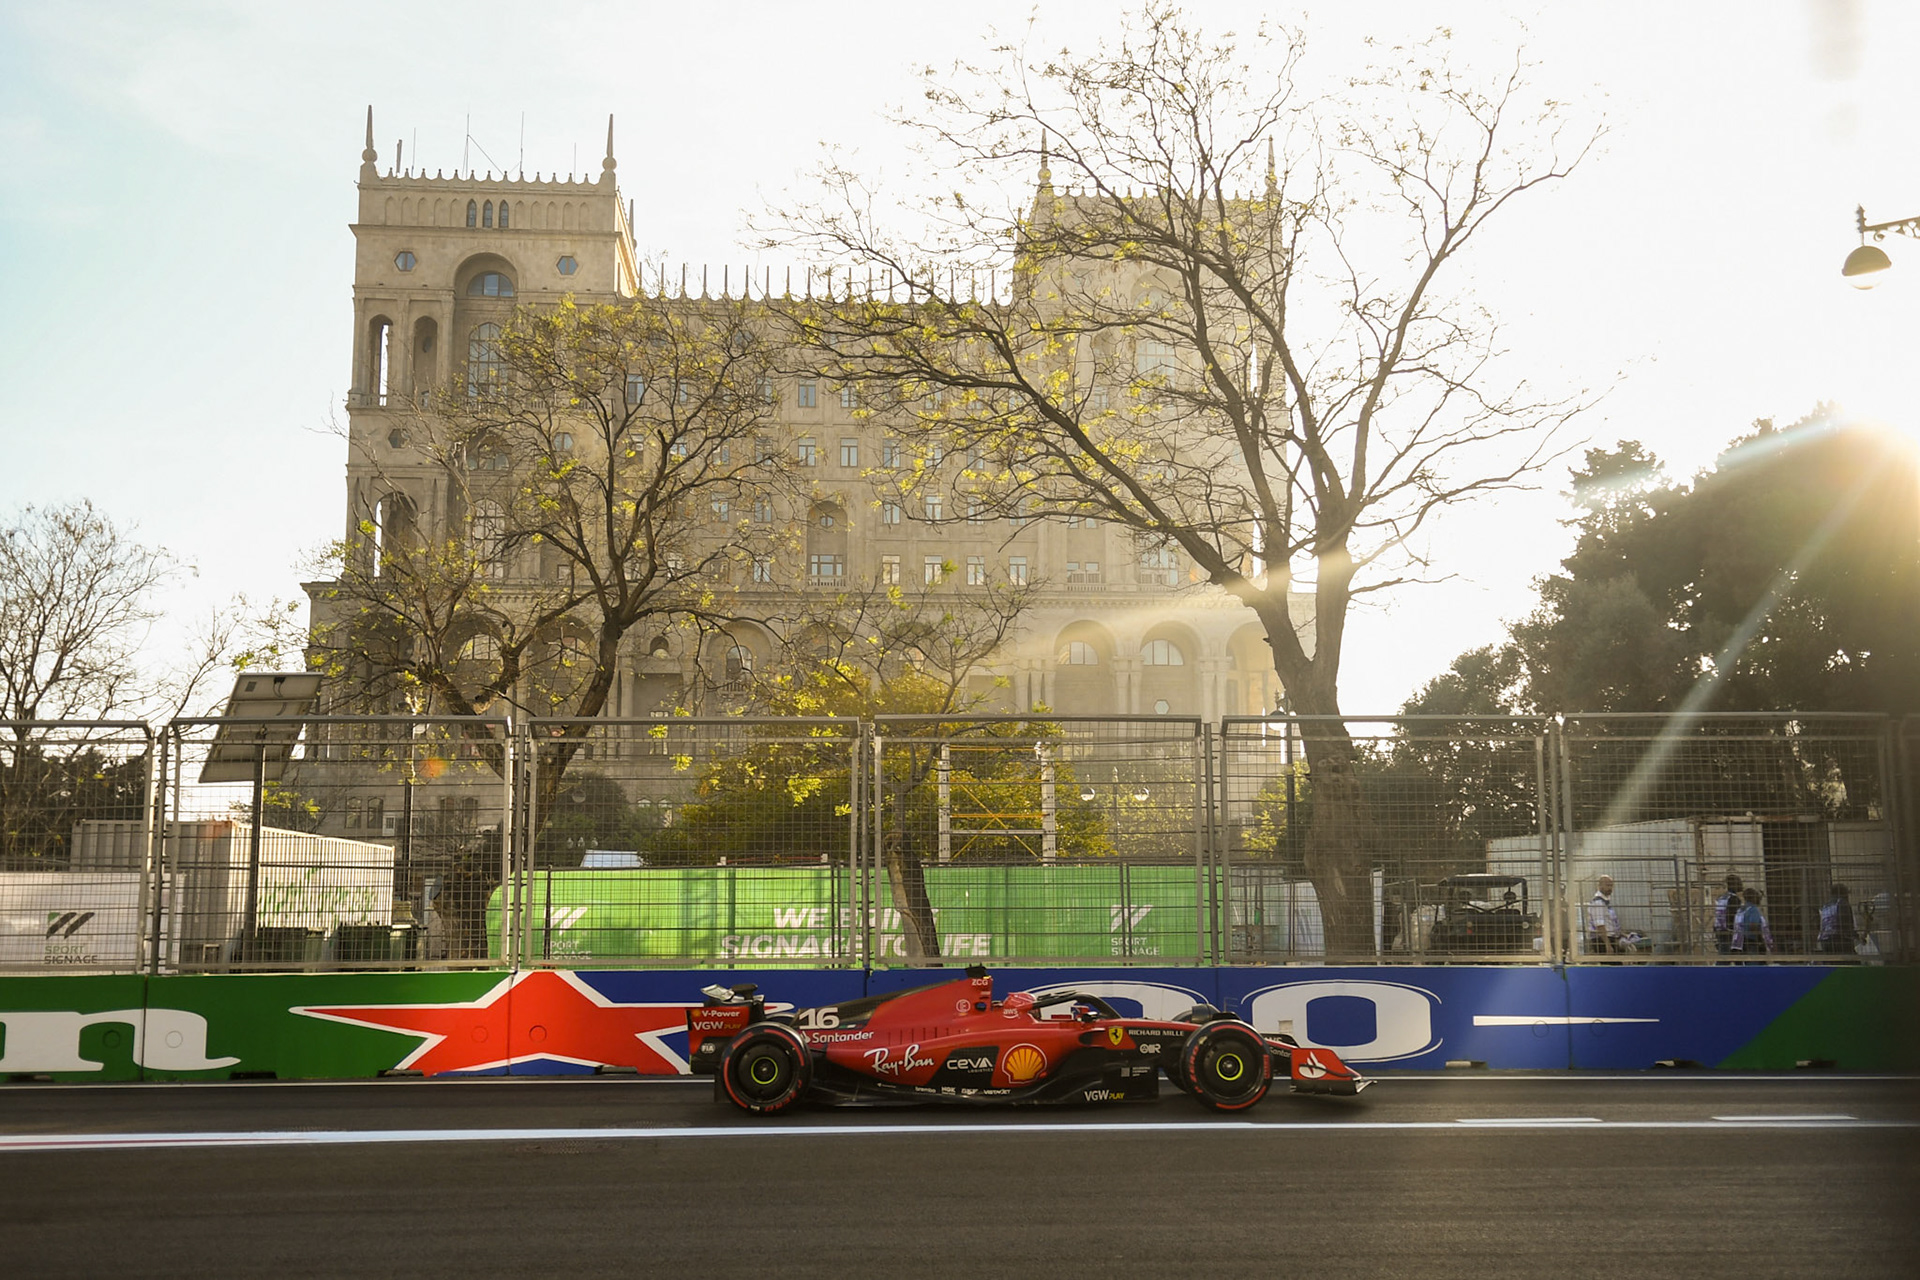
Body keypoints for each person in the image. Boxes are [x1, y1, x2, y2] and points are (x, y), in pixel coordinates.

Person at [1729, 887, 1775, 960]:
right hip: (1751, 941)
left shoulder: (1741, 909)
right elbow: (1753, 925)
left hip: (1739, 942)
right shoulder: (1753, 909)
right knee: (1753, 963)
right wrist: (1761, 939)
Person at [1817, 883, 1858, 957]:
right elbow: (1847, 924)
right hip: (1839, 940)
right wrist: (1856, 936)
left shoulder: (1825, 906)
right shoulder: (1842, 903)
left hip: (1824, 941)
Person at [1587, 875, 1621, 955]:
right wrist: (1607, 945)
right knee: (1611, 965)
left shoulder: (1605, 902)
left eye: (1611, 885)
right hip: (1602, 940)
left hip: (1609, 938)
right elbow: (1600, 925)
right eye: (1607, 885)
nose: (1610, 888)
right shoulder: (1598, 903)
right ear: (1600, 886)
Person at [1712, 873, 1744, 956]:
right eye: (1739, 883)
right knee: (1728, 958)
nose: (1741, 885)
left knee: (1724, 955)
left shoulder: (1721, 898)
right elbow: (1733, 917)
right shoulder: (1734, 899)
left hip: (1719, 930)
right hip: (1729, 932)